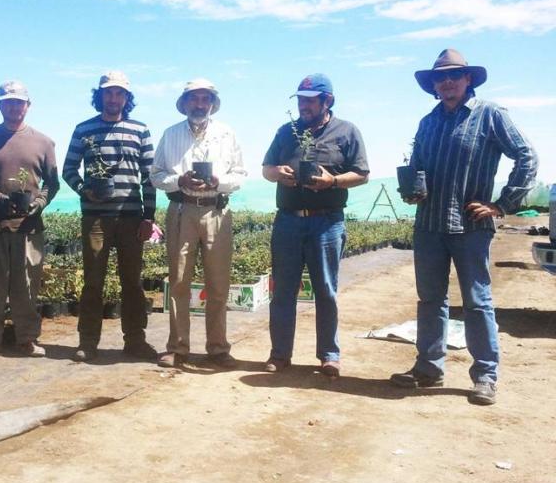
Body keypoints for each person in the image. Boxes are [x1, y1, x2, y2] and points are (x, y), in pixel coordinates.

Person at [390, 49, 538, 405]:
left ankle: (486, 375)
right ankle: (428, 368)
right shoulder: (428, 122)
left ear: (468, 79)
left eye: (454, 75)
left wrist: (501, 205)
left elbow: (526, 155)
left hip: (470, 226)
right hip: (428, 225)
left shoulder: (489, 115)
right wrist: (413, 190)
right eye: (441, 77)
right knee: (430, 301)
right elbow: (419, 166)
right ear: (434, 85)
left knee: (477, 302)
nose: (447, 82)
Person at [262, 74, 369, 377]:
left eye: (310, 100)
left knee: (326, 290)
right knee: (283, 291)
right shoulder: (287, 131)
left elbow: (362, 173)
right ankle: (280, 354)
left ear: (327, 101)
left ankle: (329, 355)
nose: (304, 105)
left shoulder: (347, 131)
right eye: (300, 99)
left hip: (327, 223)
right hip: (288, 222)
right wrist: (277, 172)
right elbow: (266, 169)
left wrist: (333, 181)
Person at [151, 79, 246, 368]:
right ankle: (177, 348)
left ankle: (217, 348)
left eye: (205, 99)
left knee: (218, 283)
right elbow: (156, 174)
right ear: (185, 103)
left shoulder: (226, 134)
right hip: (181, 209)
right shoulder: (170, 135)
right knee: (179, 281)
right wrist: (178, 180)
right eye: (195, 99)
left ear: (212, 104)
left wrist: (220, 182)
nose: (200, 104)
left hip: (216, 211)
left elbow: (240, 174)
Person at [62, 71, 157, 362]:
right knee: (93, 281)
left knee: (133, 281)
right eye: (108, 93)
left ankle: (135, 341)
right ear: (100, 96)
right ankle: (88, 342)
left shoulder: (141, 130)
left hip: (131, 219)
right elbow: (68, 170)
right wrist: (84, 191)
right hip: (96, 220)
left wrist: (149, 217)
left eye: (119, 93)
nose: (114, 98)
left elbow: (149, 177)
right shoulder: (83, 130)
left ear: (127, 98)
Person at [0, 80, 59, 358]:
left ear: (28, 106)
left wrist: (41, 203)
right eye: (8, 102)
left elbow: (52, 183)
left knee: (27, 285)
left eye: (19, 102)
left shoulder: (43, 142)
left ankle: (27, 338)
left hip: (28, 227)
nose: (14, 107)